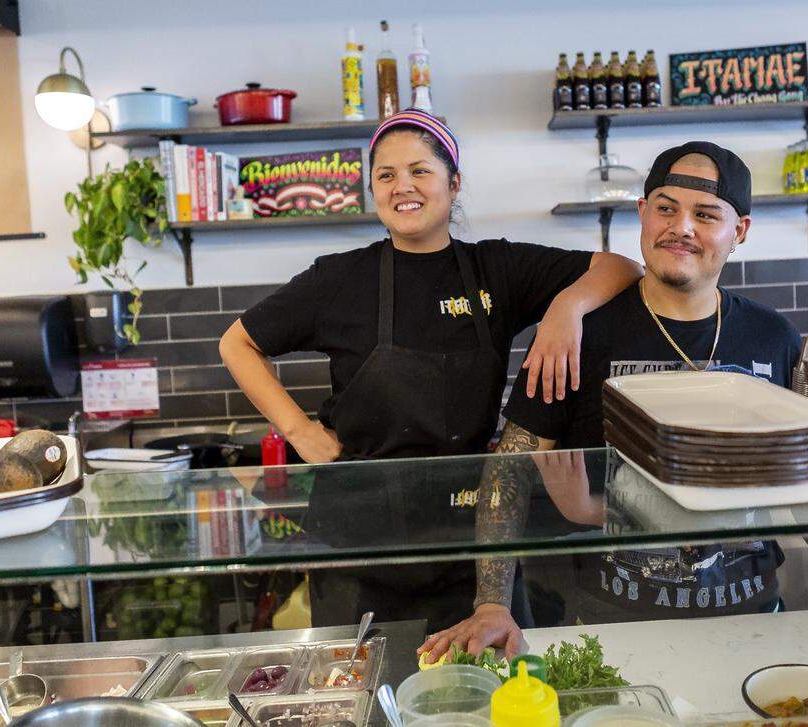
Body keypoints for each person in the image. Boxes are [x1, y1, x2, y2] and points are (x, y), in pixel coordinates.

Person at [420, 141, 808, 661]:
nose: (680, 228)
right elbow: (507, 473)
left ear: (741, 230)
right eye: (665, 208)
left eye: (706, 215)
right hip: (609, 629)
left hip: (755, 619)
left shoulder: (773, 340)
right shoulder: (577, 337)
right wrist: (491, 601)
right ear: (642, 213)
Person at [218, 110, 642, 628]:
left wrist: (566, 309)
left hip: (471, 537)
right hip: (361, 544)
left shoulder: (498, 269)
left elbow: (622, 267)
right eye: (386, 175)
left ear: (454, 182)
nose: (403, 187)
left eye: (420, 170)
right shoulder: (338, 278)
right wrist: (299, 430)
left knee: (489, 695)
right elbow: (237, 343)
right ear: (372, 188)